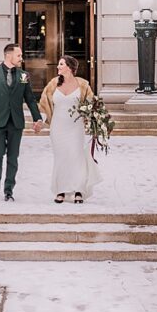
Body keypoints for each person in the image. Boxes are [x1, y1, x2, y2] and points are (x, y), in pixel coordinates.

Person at [0, 42, 46, 201]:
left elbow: (30, 99)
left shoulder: (23, 75)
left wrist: (37, 118)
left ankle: (8, 190)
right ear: (9, 55)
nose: (21, 58)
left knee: (13, 157)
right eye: (18, 55)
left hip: (16, 122)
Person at [38, 55, 104, 204]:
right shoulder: (53, 84)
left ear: (69, 67)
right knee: (61, 157)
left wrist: (96, 120)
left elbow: (92, 104)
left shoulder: (83, 85)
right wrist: (40, 121)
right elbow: (43, 104)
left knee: (76, 157)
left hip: (75, 127)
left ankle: (79, 190)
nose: (58, 67)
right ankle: (60, 190)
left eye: (61, 64)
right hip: (58, 127)